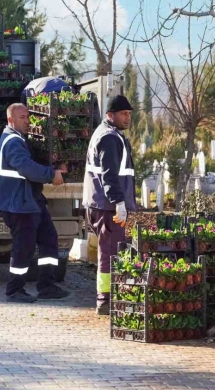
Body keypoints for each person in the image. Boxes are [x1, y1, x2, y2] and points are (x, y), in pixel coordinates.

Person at [0, 103, 70, 303]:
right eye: (22, 117)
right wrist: (52, 175)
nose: (27, 121)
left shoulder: (18, 139)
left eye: (28, 117)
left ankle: (47, 286)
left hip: (30, 201)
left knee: (49, 238)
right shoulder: (13, 142)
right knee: (23, 247)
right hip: (19, 204)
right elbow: (26, 168)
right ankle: (14, 290)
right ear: (11, 120)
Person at [83, 95, 137, 315]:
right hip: (108, 207)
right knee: (111, 253)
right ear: (110, 115)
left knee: (108, 251)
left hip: (100, 204)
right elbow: (110, 175)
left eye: (129, 114)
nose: (127, 118)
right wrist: (119, 203)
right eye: (123, 114)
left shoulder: (106, 134)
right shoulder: (110, 138)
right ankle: (105, 300)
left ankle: (106, 297)